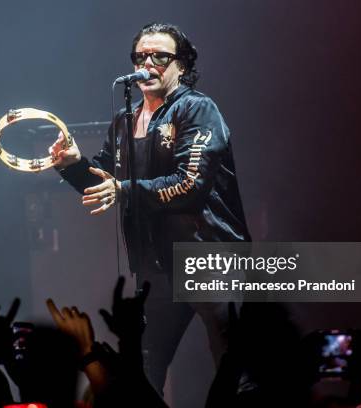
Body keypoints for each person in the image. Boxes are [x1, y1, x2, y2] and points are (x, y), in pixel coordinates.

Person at [49, 22, 251, 394]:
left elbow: (189, 186)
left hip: (207, 257)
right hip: (156, 267)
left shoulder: (197, 109)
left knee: (233, 370)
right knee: (142, 370)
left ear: (182, 65)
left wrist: (123, 189)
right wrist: (71, 165)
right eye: (141, 56)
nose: (148, 63)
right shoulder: (125, 122)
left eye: (160, 55)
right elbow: (105, 185)